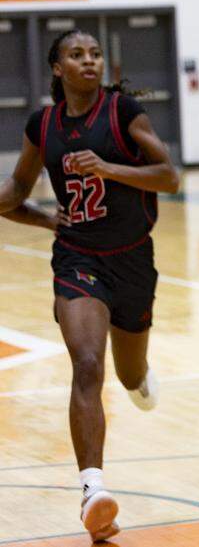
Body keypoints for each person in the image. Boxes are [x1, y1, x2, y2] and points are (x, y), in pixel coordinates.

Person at [0, 29, 179, 542]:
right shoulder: (45, 125)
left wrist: (108, 168)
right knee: (86, 364)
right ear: (57, 68)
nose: (89, 61)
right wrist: (42, 221)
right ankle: (92, 490)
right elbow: (16, 188)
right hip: (77, 258)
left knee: (126, 374)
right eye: (77, 55)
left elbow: (168, 176)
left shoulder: (122, 113)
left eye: (95, 54)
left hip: (133, 261)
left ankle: (141, 375)